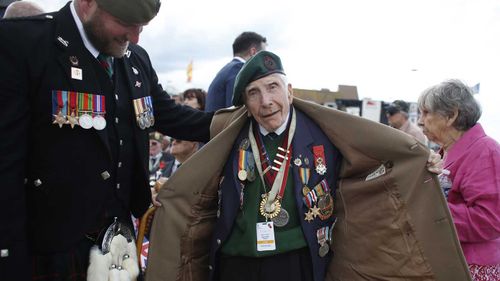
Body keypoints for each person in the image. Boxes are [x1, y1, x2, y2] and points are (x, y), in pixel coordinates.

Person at [145, 51, 471, 281]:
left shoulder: (326, 131)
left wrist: (418, 157)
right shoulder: (227, 131)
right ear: (245, 102)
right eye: (254, 93)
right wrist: (174, 194)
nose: (266, 101)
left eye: (273, 87)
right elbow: (188, 154)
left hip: (296, 262)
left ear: (289, 90)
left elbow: (379, 156)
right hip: (236, 261)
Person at [0, 0, 213, 280]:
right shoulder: (24, 43)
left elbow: (169, 115)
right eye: (126, 24)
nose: (135, 37)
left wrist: (235, 121)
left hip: (118, 246)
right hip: (53, 254)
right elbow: (6, 163)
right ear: (88, 4)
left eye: (141, 27)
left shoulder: (135, 59)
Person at [417, 79, 500, 281]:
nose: (420, 121)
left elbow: (489, 220)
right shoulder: (444, 152)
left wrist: (428, 208)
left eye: (426, 113)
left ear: (451, 115)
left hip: (470, 266)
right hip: (449, 258)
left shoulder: (485, 151)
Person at [205, 31, 267, 112]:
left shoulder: (229, 69)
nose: (264, 59)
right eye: (263, 54)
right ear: (253, 52)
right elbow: (235, 112)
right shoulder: (238, 70)